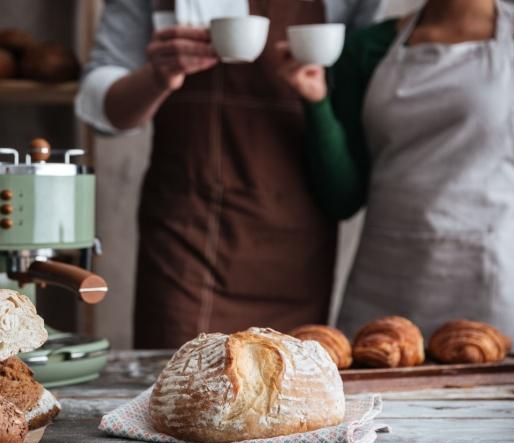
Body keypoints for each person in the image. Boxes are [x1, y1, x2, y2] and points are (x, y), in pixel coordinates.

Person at [77, 0, 383, 348]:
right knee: (181, 389)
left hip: (297, 244)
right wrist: (156, 76)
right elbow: (99, 108)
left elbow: (352, 93)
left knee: (290, 390)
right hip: (188, 240)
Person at [279, 0, 514, 342]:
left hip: (492, 278)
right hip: (387, 281)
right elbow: (342, 198)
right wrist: (316, 102)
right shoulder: (367, 47)